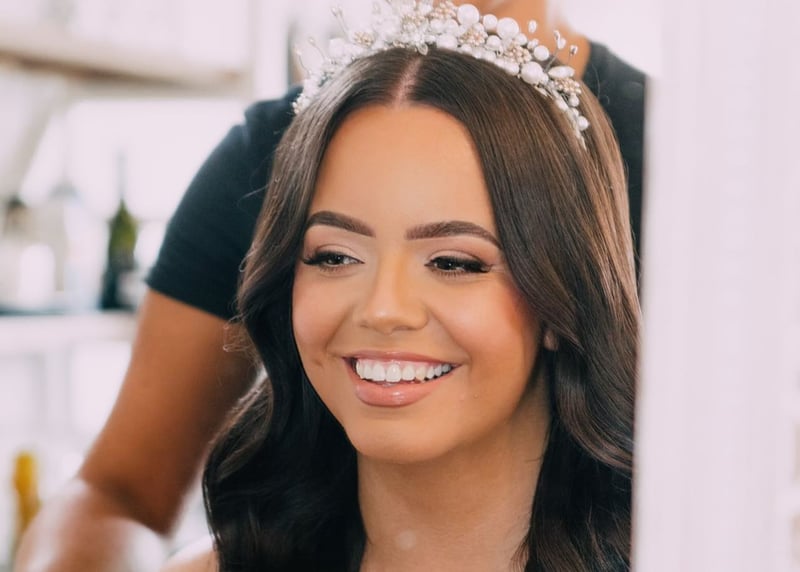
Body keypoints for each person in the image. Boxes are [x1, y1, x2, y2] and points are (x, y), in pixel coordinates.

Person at [14, 1, 644, 571]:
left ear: (566, 294)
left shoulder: (684, 150)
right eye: (334, 256)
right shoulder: (274, 145)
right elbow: (119, 488)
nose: (384, 308)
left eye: (454, 263)